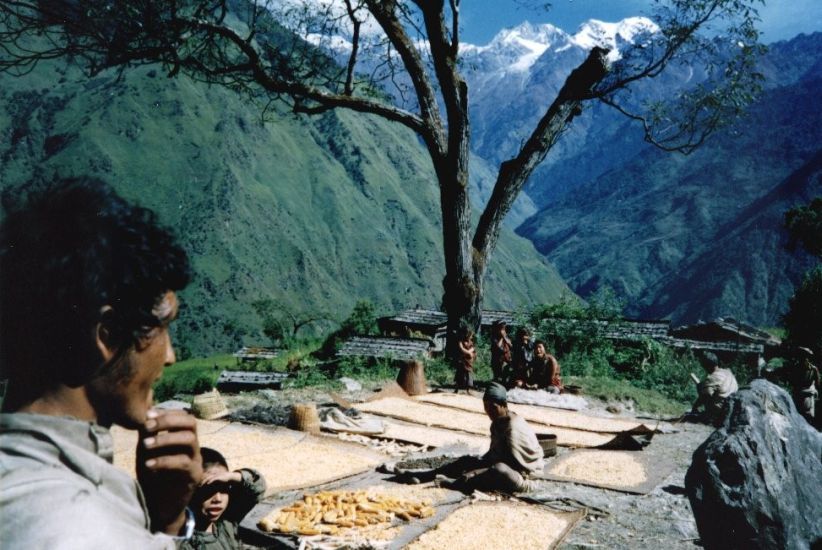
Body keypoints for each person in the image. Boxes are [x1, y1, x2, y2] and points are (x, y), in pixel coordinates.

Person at [0, 178, 201, 548]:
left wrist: (165, 518)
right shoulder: (79, 527)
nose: (169, 357)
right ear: (106, 336)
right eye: (163, 329)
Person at [437, 383, 544, 493]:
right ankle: (427, 475)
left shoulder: (513, 427)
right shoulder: (497, 422)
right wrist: (478, 464)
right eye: (486, 406)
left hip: (524, 478)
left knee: (499, 469)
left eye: (493, 407)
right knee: (466, 461)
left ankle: (458, 484)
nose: (489, 411)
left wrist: (475, 473)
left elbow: (515, 465)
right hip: (502, 466)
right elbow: (494, 453)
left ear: (504, 405)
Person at [182, 447, 266, 550]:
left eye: (223, 489)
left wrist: (233, 476)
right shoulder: (184, 542)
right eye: (208, 490)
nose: (217, 499)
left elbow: (257, 486)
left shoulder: (226, 520)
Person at [689, 352, 739, 425]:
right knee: (705, 387)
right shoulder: (728, 372)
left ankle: (710, 417)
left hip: (721, 411)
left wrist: (694, 407)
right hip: (732, 406)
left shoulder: (711, 378)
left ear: (705, 366)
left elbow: (705, 396)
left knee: (702, 387)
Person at [790, 347, 820, 426]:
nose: (804, 359)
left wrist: (814, 391)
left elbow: (817, 384)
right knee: (797, 417)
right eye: (802, 357)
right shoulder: (796, 368)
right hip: (798, 394)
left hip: (808, 395)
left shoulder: (813, 369)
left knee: (808, 415)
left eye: (805, 357)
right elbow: (793, 382)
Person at [454, 328, 477, 394]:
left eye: (471, 336)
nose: (471, 337)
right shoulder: (460, 342)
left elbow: (473, 349)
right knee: (459, 374)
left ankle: (468, 389)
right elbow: (461, 349)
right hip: (462, 360)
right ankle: (456, 389)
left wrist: (470, 353)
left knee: (469, 374)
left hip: (469, 361)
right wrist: (468, 352)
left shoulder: (471, 343)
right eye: (470, 335)